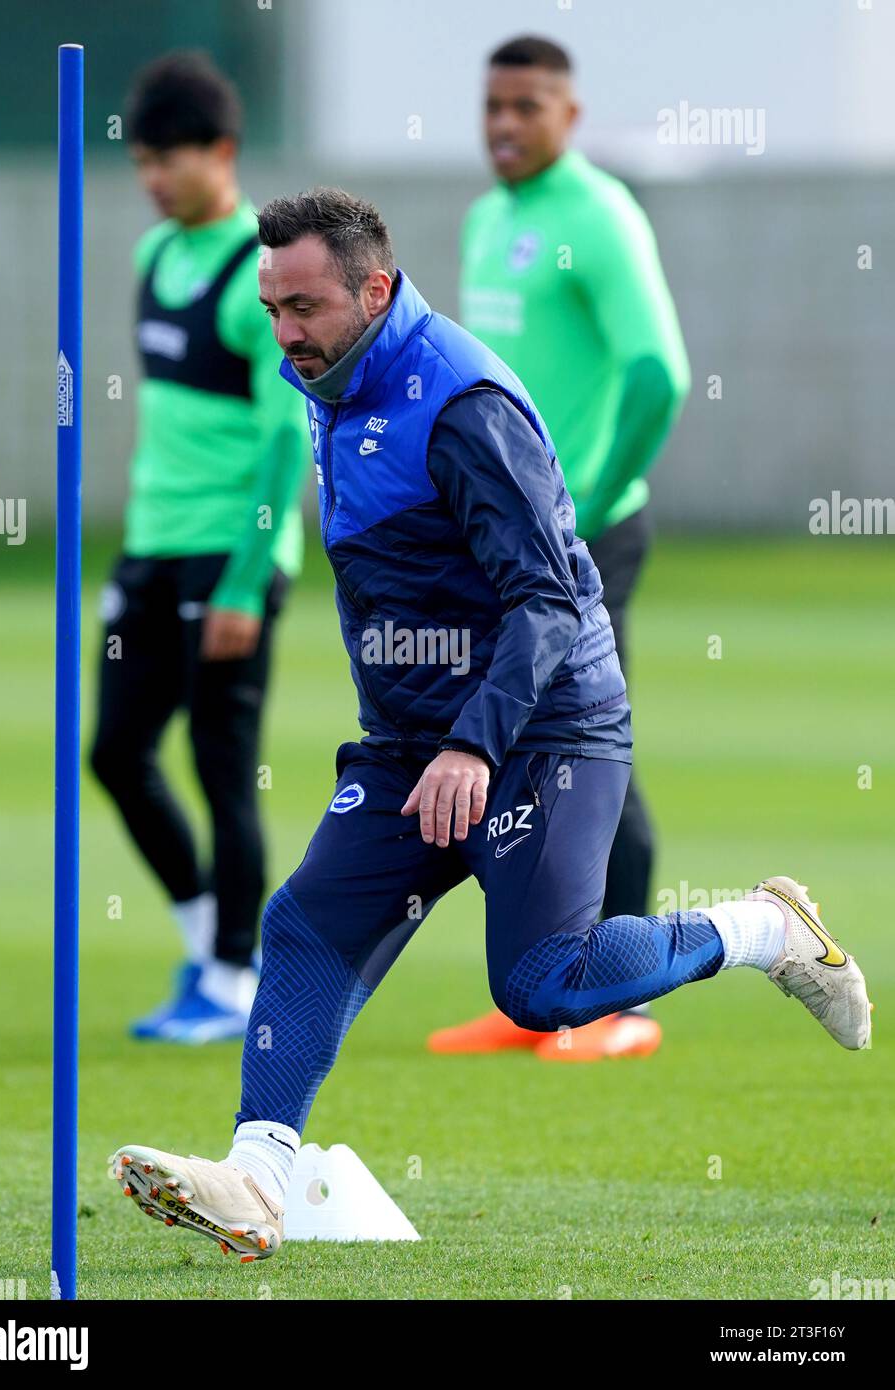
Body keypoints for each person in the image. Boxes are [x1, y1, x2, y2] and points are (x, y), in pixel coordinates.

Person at [109, 189, 871, 1262]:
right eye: (272, 308)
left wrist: (474, 738)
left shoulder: (461, 403)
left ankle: (765, 930)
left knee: (540, 986)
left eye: (306, 308)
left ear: (374, 291)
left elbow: (550, 600)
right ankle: (258, 1178)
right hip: (413, 745)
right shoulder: (327, 376)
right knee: (306, 924)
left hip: (545, 727)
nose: (285, 334)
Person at [431, 35, 691, 1062]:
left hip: (584, 537)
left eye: (527, 106)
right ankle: (537, 988)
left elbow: (658, 372)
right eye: (492, 104)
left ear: (569, 116)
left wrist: (593, 497)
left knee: (586, 740)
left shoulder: (599, 216)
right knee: (529, 745)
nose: (504, 124)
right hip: (510, 541)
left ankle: (617, 1004)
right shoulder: (490, 216)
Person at [89, 52, 307, 1043]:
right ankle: (202, 937)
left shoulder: (258, 270)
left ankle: (233, 973)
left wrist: (244, 579)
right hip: (152, 545)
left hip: (230, 554)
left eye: (166, 160)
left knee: (225, 767)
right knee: (117, 752)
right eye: (139, 162)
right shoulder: (151, 256)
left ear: (220, 152)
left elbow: (279, 436)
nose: (150, 179)